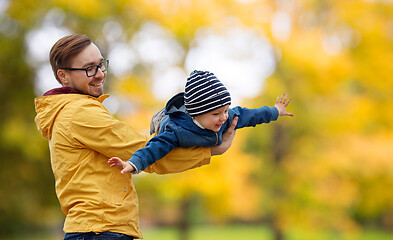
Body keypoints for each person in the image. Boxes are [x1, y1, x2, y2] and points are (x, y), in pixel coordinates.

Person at [34, 34, 237, 240]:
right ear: (63, 76)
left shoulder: (71, 111)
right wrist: (210, 150)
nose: (100, 74)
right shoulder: (79, 113)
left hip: (98, 229)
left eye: (101, 64)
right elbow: (145, 152)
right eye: (89, 68)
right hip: (100, 231)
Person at [108, 70, 293, 174]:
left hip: (197, 127)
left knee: (238, 115)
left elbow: (251, 115)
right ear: (197, 114)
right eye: (216, 113)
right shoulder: (177, 131)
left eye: (225, 110)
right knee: (161, 129)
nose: (223, 117)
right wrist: (133, 164)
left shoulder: (227, 118)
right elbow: (154, 148)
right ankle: (162, 115)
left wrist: (275, 111)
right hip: (168, 122)